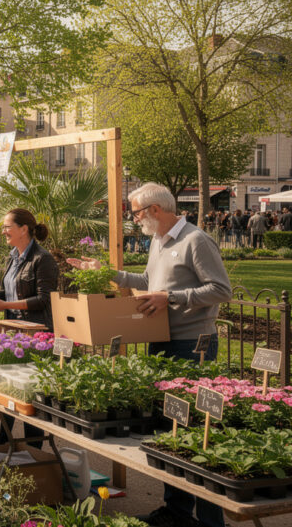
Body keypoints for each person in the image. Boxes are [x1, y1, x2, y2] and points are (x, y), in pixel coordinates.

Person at [68, 183, 231, 527]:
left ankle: (209, 519)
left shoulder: (195, 240)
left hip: (191, 345)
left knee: (191, 428)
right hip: (161, 340)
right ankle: (177, 510)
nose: (136, 219)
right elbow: (146, 280)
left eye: (138, 213)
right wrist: (104, 271)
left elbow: (220, 290)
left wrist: (169, 299)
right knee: (170, 428)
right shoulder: (159, 240)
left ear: (156, 209)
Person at [0, 208, 58, 445]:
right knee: (7, 384)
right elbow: (10, 291)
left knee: (29, 389)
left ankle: (33, 445)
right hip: (12, 331)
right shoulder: (13, 256)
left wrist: (6, 303)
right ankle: (4, 437)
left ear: (23, 229)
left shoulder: (42, 259)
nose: (4, 231)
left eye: (7, 227)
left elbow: (45, 299)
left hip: (35, 333)